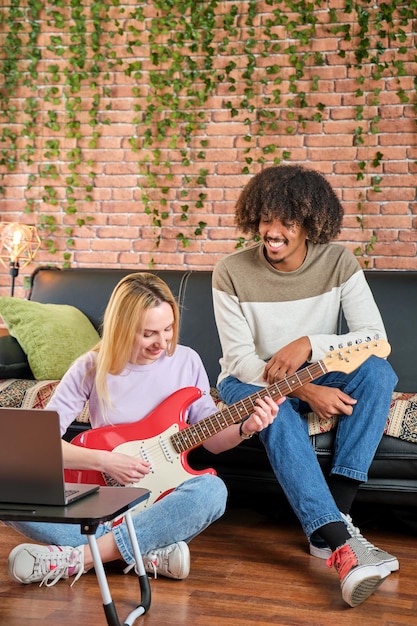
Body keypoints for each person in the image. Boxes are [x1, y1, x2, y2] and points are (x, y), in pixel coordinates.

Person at [6, 272, 280, 587]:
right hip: (103, 498)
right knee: (7, 486)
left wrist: (246, 428)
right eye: (148, 333)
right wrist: (105, 462)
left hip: (161, 498)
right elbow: (37, 446)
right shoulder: (90, 367)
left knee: (214, 492)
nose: (162, 343)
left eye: (168, 329)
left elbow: (213, 441)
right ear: (122, 328)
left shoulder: (187, 361)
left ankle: (79, 558)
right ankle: (145, 553)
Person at [212, 164, 399, 608]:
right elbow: (240, 361)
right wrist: (302, 390)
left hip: (312, 368)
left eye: (287, 222)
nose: (272, 232)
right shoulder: (230, 271)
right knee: (272, 412)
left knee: (377, 372)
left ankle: (334, 513)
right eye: (265, 220)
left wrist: (309, 344)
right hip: (247, 381)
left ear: (310, 224)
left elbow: (375, 338)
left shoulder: (337, 261)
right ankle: (339, 542)